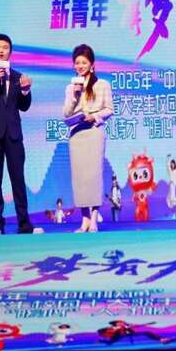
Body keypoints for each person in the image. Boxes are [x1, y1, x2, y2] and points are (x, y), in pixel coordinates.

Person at [0, 33, 42, 235]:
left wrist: (26, 91)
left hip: (13, 135)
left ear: (10, 51)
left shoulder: (19, 76)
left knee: (18, 179)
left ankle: (24, 223)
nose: (1, 51)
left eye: (5, 47)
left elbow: (24, 107)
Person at [63, 44, 114, 233]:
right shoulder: (71, 87)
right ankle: (84, 219)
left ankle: (93, 219)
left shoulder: (103, 85)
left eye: (84, 62)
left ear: (92, 65)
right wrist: (75, 96)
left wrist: (94, 116)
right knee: (80, 178)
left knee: (94, 176)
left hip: (94, 132)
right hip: (77, 134)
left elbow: (109, 109)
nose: (80, 66)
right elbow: (66, 113)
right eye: (77, 63)